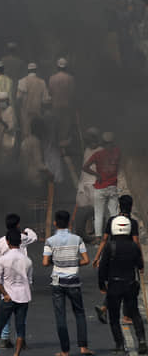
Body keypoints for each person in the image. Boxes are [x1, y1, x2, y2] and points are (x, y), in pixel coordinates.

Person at [42, 210, 93, 356]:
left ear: (55, 223)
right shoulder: (77, 239)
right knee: (80, 313)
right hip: (74, 282)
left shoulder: (50, 241)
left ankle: (65, 351)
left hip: (57, 282)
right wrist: (74, 262)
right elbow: (86, 260)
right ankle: (83, 347)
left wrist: (57, 261)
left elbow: (45, 262)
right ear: (69, 223)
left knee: (60, 316)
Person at [99, 215, 147, 353]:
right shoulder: (133, 246)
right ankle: (142, 340)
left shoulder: (110, 246)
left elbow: (103, 267)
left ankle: (120, 345)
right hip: (130, 284)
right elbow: (139, 264)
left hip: (114, 285)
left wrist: (102, 284)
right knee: (134, 313)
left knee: (114, 317)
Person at [0, 229, 33, 356]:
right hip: (23, 297)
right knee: (20, 328)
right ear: (20, 241)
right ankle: (16, 354)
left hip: (8, 297)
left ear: (7, 242)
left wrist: (4, 294)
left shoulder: (3, 259)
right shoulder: (27, 261)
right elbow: (30, 280)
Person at [83, 131, 119, 242]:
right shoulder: (117, 152)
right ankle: (115, 236)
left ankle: (98, 237)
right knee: (113, 213)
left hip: (100, 187)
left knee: (98, 213)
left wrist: (96, 175)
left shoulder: (98, 154)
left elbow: (85, 167)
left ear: (102, 143)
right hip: (112, 186)